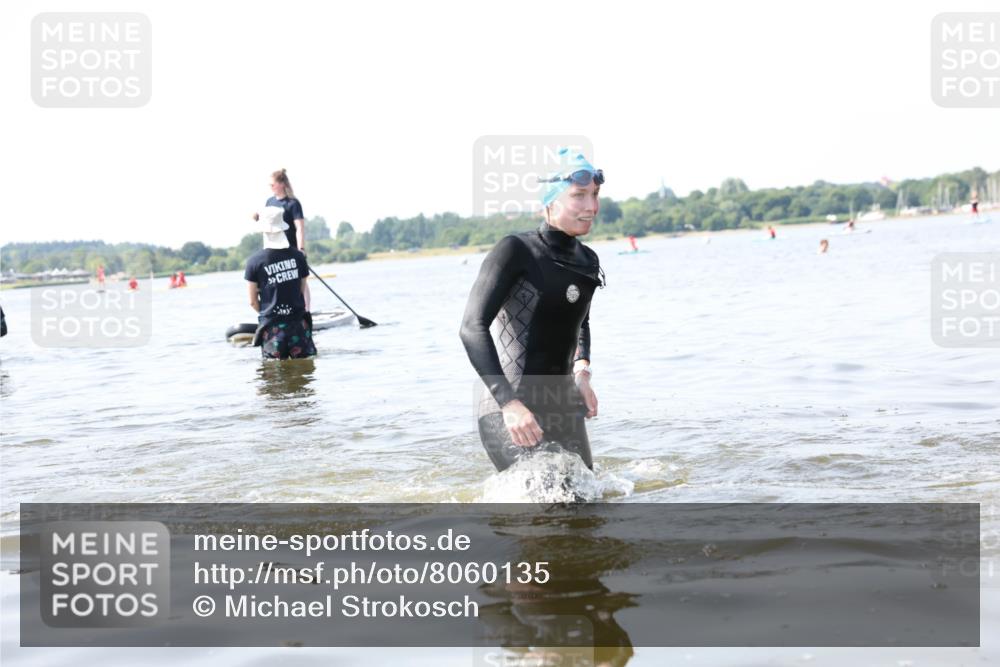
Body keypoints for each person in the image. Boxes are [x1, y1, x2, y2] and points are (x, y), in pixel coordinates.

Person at [460, 149, 604, 472]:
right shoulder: (515, 251)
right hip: (508, 406)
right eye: (579, 196)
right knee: (548, 505)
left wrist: (582, 373)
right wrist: (509, 404)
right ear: (550, 200)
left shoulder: (588, 261)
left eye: (594, 195)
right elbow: (472, 327)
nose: (591, 207)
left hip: (564, 404)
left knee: (587, 510)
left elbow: (580, 321)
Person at [244, 206, 316, 360]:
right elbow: (301, 290)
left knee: (274, 378)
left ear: (263, 230)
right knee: (305, 376)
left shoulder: (254, 262)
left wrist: (271, 312)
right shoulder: (298, 256)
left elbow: (252, 301)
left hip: (272, 330)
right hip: (298, 326)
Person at [252, 169, 311, 311]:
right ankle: (279, 309)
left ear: (282, 184)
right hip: (274, 247)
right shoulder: (269, 201)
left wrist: (301, 249)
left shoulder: (293, 203)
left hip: (290, 247)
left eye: (272, 184)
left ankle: (307, 310)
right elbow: (267, 221)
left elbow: (300, 228)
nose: (270, 187)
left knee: (301, 279)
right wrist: (257, 216)